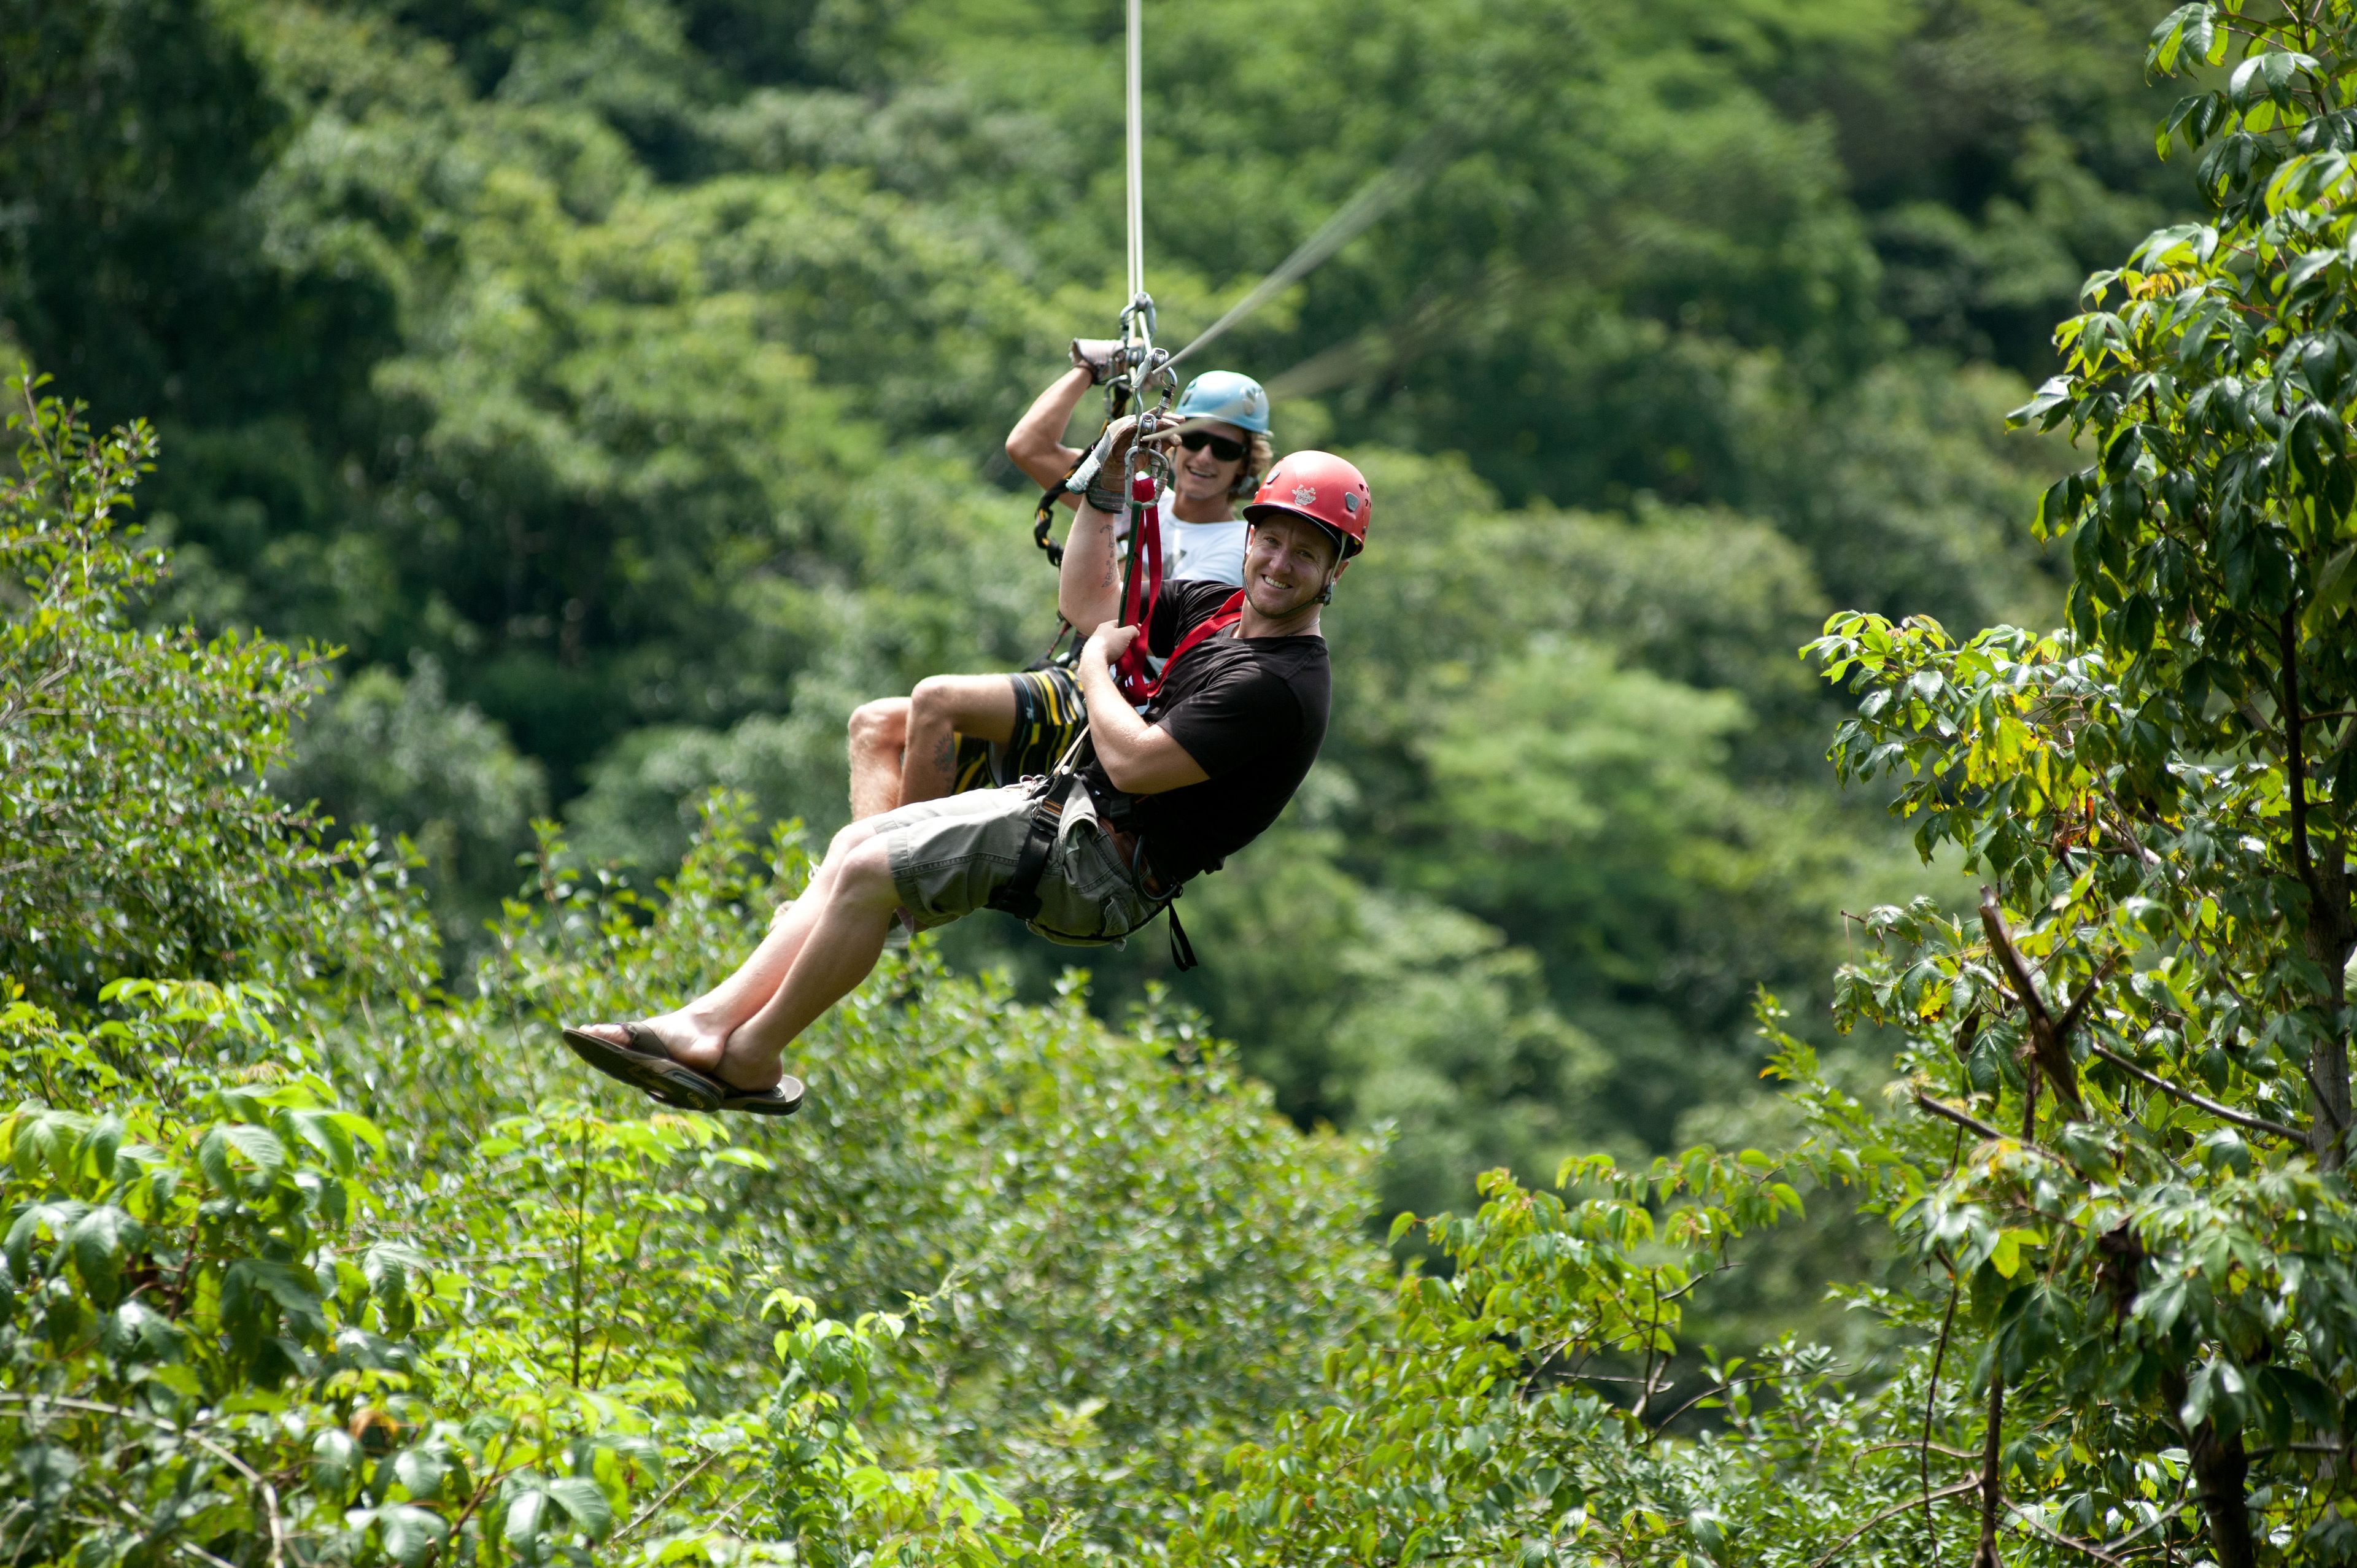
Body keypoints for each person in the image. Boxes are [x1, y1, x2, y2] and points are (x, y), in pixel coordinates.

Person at [560, 443, 1372, 1115]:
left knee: (876, 872)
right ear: (1251, 534)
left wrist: (1093, 672)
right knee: (855, 846)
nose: (1279, 562)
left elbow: (1131, 755)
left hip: (1105, 868)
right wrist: (1103, 492)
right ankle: (711, 1024)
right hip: (1074, 813)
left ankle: (751, 1053)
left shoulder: (1279, 684)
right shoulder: (1221, 615)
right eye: (1270, 539)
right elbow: (1091, 604)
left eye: (1307, 552)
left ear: (1336, 570)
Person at [843, 352, 1275, 821]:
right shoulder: (1145, 499)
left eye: (1226, 448)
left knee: (936, 700)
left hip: (1111, 692)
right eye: (1195, 438)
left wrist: (1109, 503)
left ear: (1245, 465)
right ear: (1174, 439)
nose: (1206, 455)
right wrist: (1089, 372)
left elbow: (1134, 613)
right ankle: (870, 882)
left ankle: (894, 873)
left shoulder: (1239, 547)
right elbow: (1030, 447)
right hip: (1075, 674)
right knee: (872, 725)